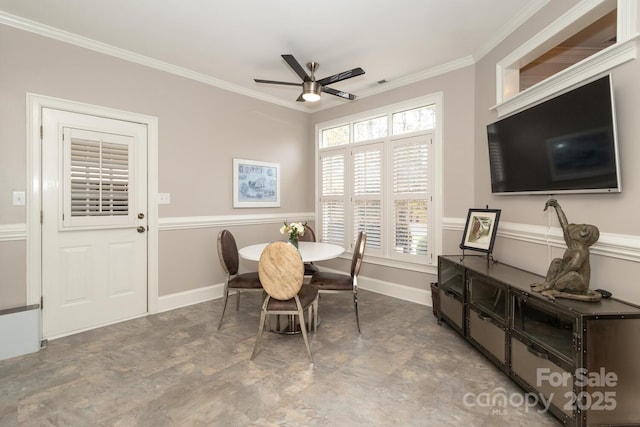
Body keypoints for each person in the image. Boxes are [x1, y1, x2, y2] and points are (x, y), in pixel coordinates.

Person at [530, 198, 602, 301]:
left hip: (579, 284)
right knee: (556, 261)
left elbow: (569, 270)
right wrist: (557, 207)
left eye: (585, 229)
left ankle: (555, 291)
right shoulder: (573, 244)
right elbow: (564, 225)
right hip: (566, 276)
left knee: (571, 275)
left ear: (585, 238)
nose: (580, 227)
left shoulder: (580, 252)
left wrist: (551, 285)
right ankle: (546, 284)